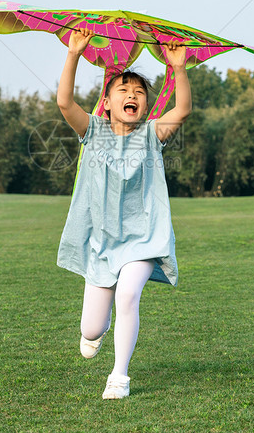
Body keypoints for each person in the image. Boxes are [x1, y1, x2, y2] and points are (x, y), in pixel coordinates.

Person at [56, 27, 192, 399]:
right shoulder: (93, 130)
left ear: (145, 105)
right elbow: (65, 103)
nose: (132, 95)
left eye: (139, 93)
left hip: (143, 238)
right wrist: (73, 54)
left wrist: (178, 68)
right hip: (101, 243)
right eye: (123, 90)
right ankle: (96, 332)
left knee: (128, 294)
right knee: (90, 329)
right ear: (108, 102)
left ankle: (119, 377)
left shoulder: (152, 134)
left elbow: (182, 109)